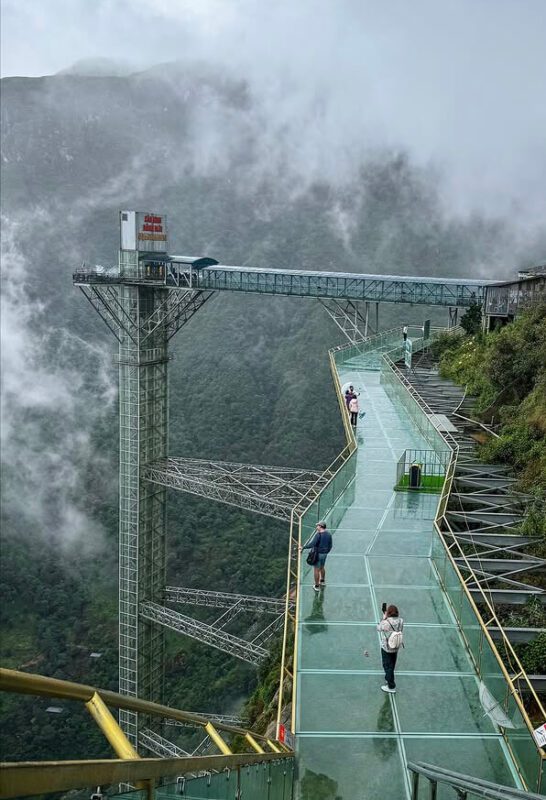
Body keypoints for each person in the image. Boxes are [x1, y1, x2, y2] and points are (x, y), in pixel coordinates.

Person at [377, 604, 404, 693]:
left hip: (387, 647)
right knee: (392, 664)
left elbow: (378, 628)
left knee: (387, 666)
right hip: (396, 646)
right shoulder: (401, 621)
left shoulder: (386, 622)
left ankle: (391, 686)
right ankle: (388, 678)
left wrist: (384, 619)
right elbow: (400, 630)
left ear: (388, 613)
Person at [299, 522, 333, 591]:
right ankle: (322, 581)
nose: (317, 527)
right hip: (324, 554)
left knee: (316, 570)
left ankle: (317, 586)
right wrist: (326, 552)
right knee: (322, 567)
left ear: (320, 526)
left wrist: (303, 547)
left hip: (318, 554)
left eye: (318, 525)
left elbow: (312, 544)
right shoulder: (328, 534)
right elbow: (330, 545)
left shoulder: (318, 535)